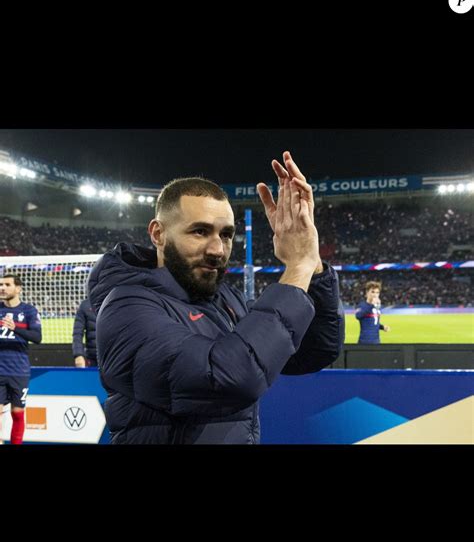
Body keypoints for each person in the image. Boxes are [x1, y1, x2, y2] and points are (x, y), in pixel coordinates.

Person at [88, 151, 345, 444]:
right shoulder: (126, 308)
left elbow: (313, 351)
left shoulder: (223, 300)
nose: (217, 250)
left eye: (225, 235)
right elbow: (228, 379)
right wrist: (297, 267)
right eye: (199, 231)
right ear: (158, 234)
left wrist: (315, 266)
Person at [0, 274, 42, 445]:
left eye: (7, 284)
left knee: (17, 413)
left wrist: (15, 328)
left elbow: (37, 337)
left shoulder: (29, 311)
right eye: (0, 284)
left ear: (18, 289)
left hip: (19, 370)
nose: (2, 288)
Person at [72, 297, 97, 367]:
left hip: (112, 358)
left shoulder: (115, 303)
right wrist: (78, 355)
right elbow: (77, 333)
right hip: (93, 358)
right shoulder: (85, 305)